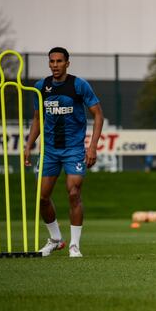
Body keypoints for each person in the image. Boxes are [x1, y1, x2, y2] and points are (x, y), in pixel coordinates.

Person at [25, 47, 104, 258]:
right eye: (52, 61)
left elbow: (98, 115)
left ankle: (74, 245)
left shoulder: (79, 85)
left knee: (74, 192)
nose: (55, 65)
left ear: (67, 63)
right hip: (49, 151)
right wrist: (28, 145)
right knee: (42, 198)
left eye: (59, 61)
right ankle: (56, 239)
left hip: (73, 150)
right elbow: (37, 119)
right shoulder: (40, 87)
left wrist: (93, 146)